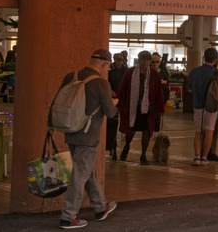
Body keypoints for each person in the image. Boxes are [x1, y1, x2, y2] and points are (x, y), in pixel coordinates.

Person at [54, 49, 118, 229]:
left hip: (70, 131)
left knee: (86, 170)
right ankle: (68, 216)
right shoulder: (100, 83)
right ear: (105, 64)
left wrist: (51, 125)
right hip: (88, 135)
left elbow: (57, 102)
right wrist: (114, 103)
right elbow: (110, 113)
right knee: (79, 174)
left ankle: (100, 207)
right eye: (108, 66)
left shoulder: (71, 77)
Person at [116, 50, 165, 165]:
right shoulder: (130, 72)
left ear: (149, 61)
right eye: (142, 60)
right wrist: (118, 104)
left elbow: (159, 92)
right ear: (139, 60)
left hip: (148, 108)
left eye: (147, 60)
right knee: (131, 130)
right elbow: (122, 88)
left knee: (147, 131)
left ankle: (143, 155)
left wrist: (161, 108)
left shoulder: (154, 74)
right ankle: (126, 146)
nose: (145, 62)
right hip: (133, 107)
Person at [187, 47, 218, 166]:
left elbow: (190, 89)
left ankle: (196, 156)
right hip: (211, 106)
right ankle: (204, 157)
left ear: (204, 57)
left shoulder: (194, 71)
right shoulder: (216, 73)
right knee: (209, 131)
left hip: (197, 105)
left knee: (198, 132)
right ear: (216, 59)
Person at [106, 52, 127, 161]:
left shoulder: (125, 70)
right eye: (118, 59)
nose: (120, 61)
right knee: (112, 124)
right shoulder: (110, 70)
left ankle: (117, 148)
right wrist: (111, 91)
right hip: (113, 99)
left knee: (120, 124)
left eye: (121, 59)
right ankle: (112, 148)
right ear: (114, 59)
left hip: (122, 99)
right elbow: (107, 82)